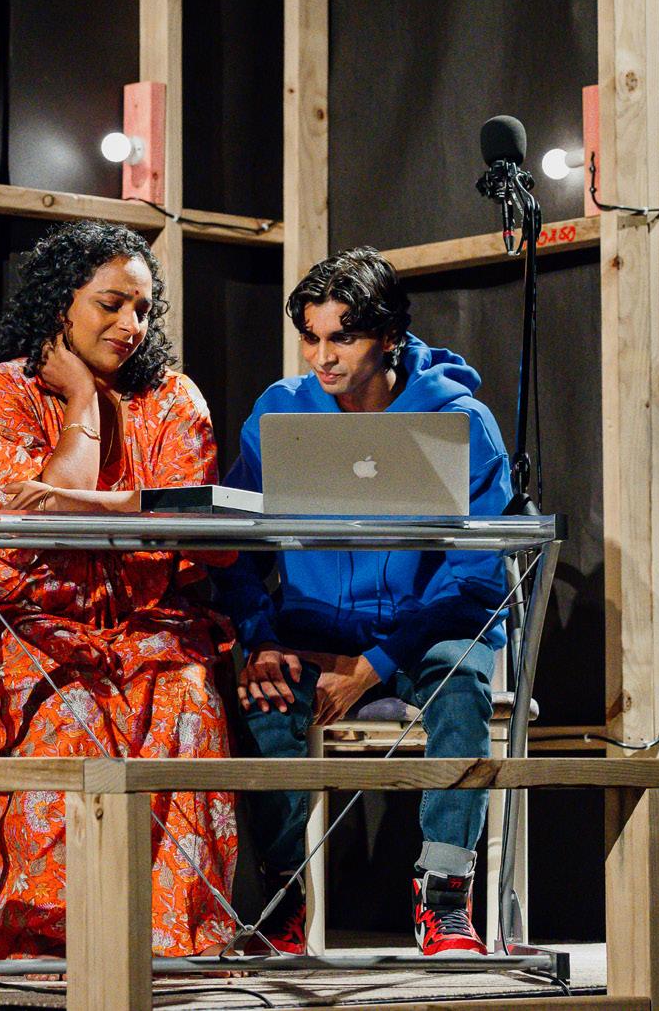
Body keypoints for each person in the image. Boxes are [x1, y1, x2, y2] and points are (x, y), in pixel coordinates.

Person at [0, 219, 238, 959]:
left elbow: (200, 529)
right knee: (69, 711)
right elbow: (41, 529)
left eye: (142, 309)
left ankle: (166, 942)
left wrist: (91, 503)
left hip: (141, 625)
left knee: (188, 701)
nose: (130, 325)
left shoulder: (173, 398)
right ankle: (48, 938)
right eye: (110, 304)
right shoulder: (1, 394)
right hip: (18, 623)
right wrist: (84, 399)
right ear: (61, 306)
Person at [219, 246, 512, 957]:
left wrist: (374, 665)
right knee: (265, 695)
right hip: (312, 627)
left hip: (427, 631)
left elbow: (477, 579)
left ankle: (445, 896)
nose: (322, 356)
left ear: (388, 336)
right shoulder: (279, 412)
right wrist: (259, 636)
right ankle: (282, 896)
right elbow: (230, 545)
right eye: (310, 336)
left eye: (342, 337)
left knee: (461, 686)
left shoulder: (459, 418)